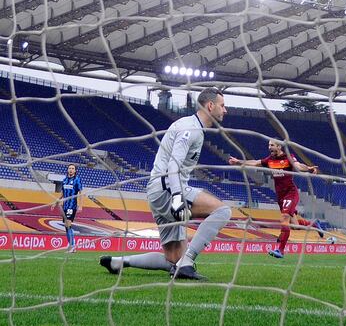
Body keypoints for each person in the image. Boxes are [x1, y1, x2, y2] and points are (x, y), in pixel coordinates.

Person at [100, 87, 232, 280]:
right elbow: (174, 164)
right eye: (222, 105)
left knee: (173, 259)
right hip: (167, 189)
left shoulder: (193, 127)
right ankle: (187, 263)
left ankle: (118, 262)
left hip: (158, 190)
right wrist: (178, 198)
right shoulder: (191, 128)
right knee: (222, 211)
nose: (225, 110)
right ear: (210, 105)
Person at [228, 139, 322, 259]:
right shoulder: (270, 160)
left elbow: (298, 166)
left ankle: (280, 250)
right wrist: (238, 161)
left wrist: (308, 168)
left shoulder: (288, 157)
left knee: (284, 220)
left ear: (279, 147)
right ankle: (313, 224)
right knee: (295, 225)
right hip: (280, 196)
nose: (269, 147)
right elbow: (256, 162)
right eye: (269, 145)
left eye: (272, 145)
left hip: (290, 193)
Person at [51, 163, 82, 253]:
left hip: (72, 206)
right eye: (69, 168)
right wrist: (55, 202)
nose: (71, 170)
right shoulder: (64, 180)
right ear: (68, 170)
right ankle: (71, 244)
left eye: (72, 168)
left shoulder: (77, 180)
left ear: (75, 170)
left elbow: (81, 193)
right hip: (65, 206)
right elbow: (62, 193)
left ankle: (72, 245)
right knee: (66, 226)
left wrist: (80, 205)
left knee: (68, 224)